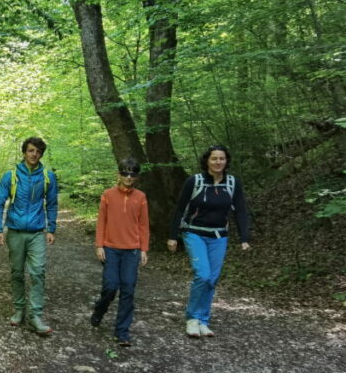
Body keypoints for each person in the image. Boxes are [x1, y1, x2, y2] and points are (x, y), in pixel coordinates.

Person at [167, 145, 251, 338]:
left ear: (226, 161)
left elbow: (241, 210)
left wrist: (244, 237)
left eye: (222, 158)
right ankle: (192, 319)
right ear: (207, 161)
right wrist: (173, 235)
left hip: (219, 236)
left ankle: (203, 320)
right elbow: (180, 209)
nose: (218, 162)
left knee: (212, 280)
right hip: (194, 233)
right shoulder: (194, 181)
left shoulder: (232, 183)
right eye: (214, 159)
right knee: (203, 275)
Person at [0, 137, 59, 335]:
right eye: (30, 150)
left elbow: (52, 204)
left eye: (37, 151)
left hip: (37, 232)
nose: (34, 154)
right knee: (17, 272)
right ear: (24, 152)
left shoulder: (48, 176)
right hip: (15, 231)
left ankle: (35, 315)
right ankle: (19, 309)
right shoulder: (10, 176)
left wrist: (51, 229)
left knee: (38, 272)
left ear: (41, 154)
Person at [90, 158, 149, 347]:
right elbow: (101, 222)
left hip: (131, 250)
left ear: (136, 176)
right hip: (111, 249)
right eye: (125, 173)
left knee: (128, 289)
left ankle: (122, 331)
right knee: (110, 286)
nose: (128, 177)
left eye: (132, 173)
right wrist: (99, 245)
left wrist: (144, 249)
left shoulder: (140, 197)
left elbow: (143, 225)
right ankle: (99, 310)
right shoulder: (108, 195)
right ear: (119, 174)